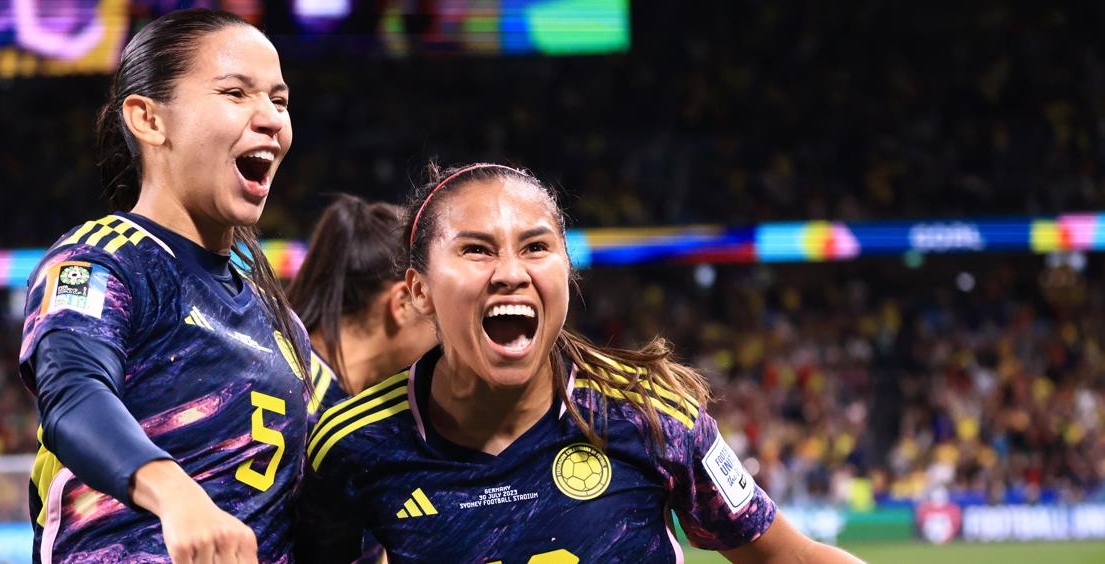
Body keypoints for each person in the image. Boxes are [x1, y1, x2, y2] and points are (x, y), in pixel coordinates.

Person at [297, 163, 863, 563]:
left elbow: (787, 557)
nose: (511, 272)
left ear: (566, 273)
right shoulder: (351, 446)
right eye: (476, 249)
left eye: (536, 247)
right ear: (419, 291)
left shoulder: (650, 417)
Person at [18, 9, 310, 564]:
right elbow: (73, 392)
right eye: (235, 93)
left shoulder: (282, 324)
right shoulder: (103, 258)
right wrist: (175, 494)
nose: (271, 118)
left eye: (279, 100)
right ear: (149, 119)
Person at [287, 194, 439, 419]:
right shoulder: (301, 403)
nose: (444, 339)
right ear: (403, 303)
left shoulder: (318, 394)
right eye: (438, 313)